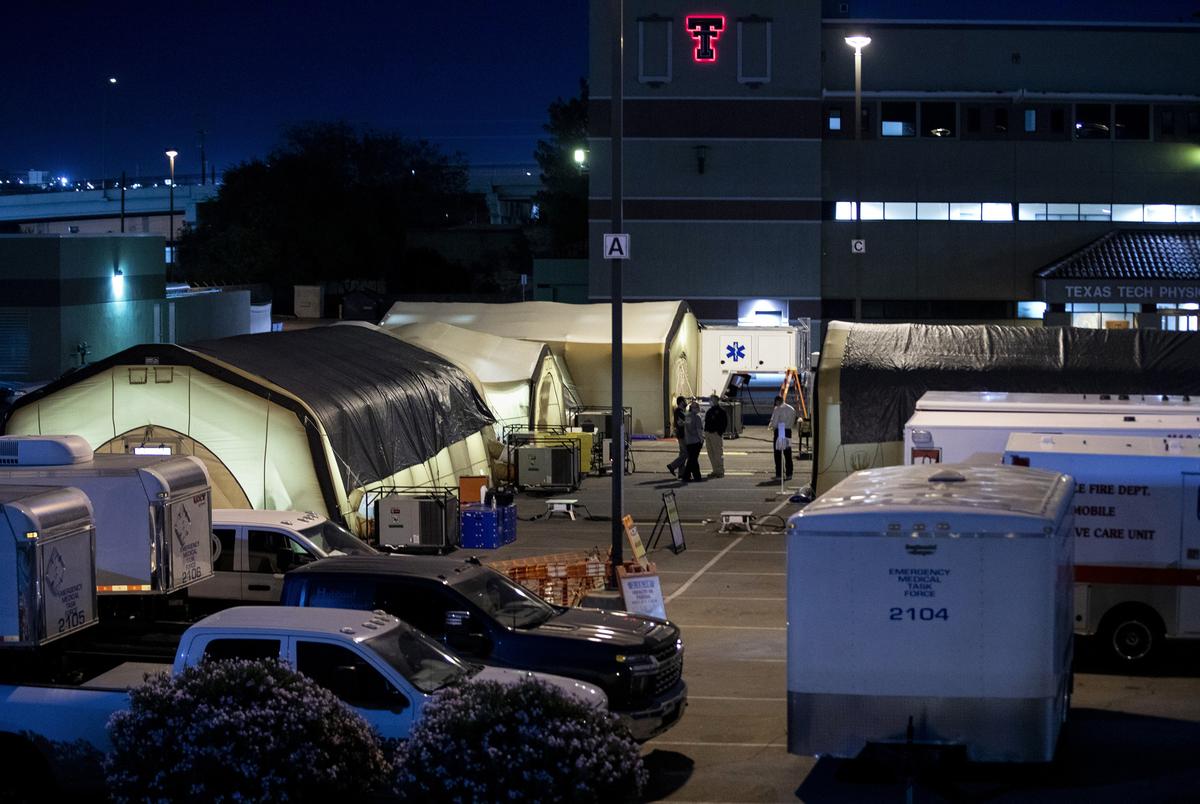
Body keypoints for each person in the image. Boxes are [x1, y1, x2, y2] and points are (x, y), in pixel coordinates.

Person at [768, 395, 797, 480]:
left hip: (780, 430)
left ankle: (779, 474)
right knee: (787, 453)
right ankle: (789, 473)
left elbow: (774, 422)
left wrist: (772, 426)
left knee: (778, 454)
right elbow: (793, 420)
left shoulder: (778, 409)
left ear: (777, 401)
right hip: (788, 431)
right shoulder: (791, 409)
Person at [703, 394, 727, 478]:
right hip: (708, 433)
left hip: (715, 434)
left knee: (717, 453)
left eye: (711, 400)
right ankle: (715, 470)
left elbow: (724, 423)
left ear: (716, 401)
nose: (710, 401)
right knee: (711, 453)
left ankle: (720, 471)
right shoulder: (710, 411)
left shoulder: (721, 411)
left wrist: (719, 432)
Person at [682, 401, 704, 482]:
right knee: (693, 460)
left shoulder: (687, 416)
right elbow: (699, 430)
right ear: (694, 408)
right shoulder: (697, 417)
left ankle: (691, 475)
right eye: (697, 407)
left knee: (692, 459)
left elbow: (688, 428)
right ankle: (692, 476)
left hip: (688, 441)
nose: (698, 409)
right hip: (695, 441)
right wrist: (701, 439)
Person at [666, 396, 688, 476]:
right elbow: (682, 423)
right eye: (684, 400)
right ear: (681, 402)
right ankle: (672, 465)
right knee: (686, 453)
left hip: (681, 435)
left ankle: (681, 473)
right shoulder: (679, 412)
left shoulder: (680, 411)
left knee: (682, 453)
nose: (686, 402)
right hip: (682, 435)